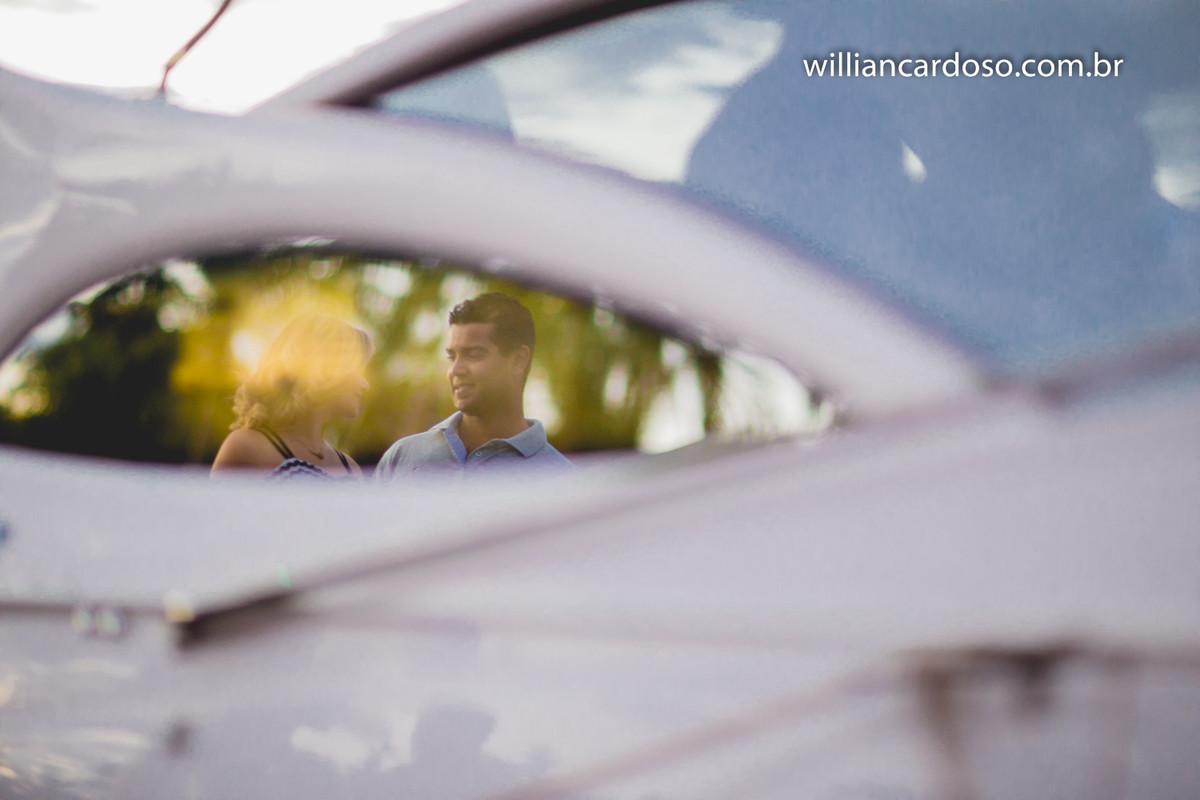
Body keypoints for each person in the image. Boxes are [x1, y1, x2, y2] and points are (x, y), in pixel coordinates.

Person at [375, 292, 572, 479]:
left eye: (474, 355)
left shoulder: (562, 480)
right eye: (452, 357)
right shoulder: (402, 457)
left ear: (518, 361)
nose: (455, 370)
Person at [211, 313, 371, 479]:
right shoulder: (246, 449)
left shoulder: (351, 469)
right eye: (359, 370)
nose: (365, 385)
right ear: (324, 369)